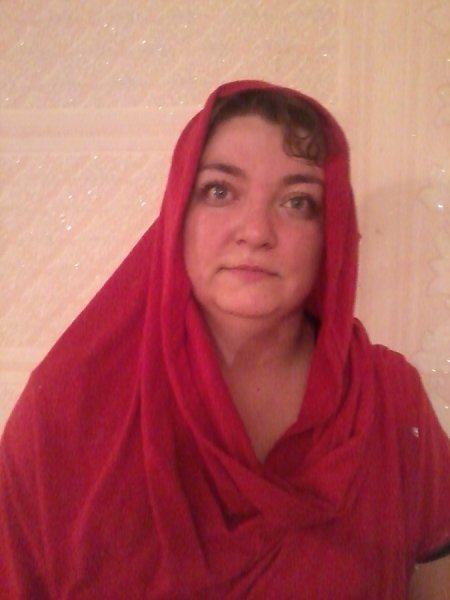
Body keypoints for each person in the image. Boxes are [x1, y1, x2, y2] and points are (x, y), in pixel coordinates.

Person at [0, 80, 449, 599]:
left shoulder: (390, 402)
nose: (255, 231)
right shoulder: (66, 408)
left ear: (333, 233)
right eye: (219, 191)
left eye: (297, 202)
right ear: (177, 215)